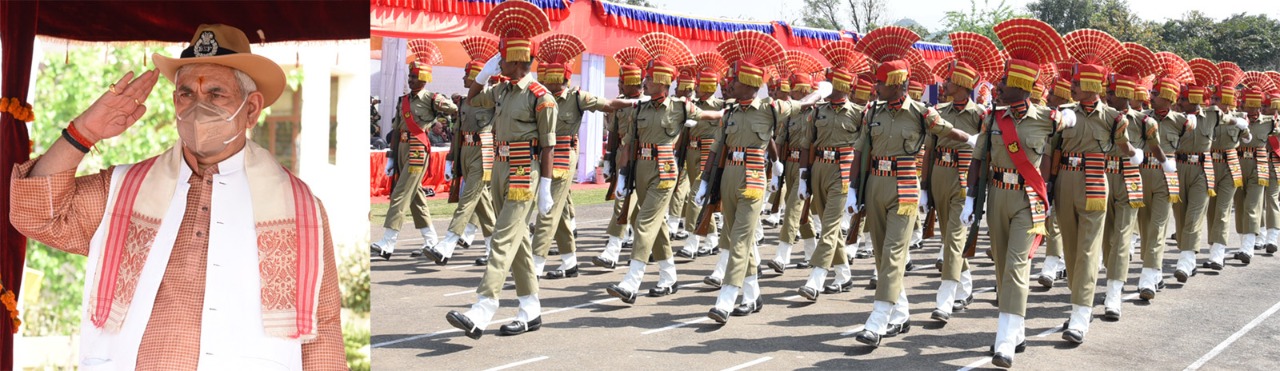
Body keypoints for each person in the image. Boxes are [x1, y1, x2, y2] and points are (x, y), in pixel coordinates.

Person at [10, 24, 344, 369]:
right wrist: (84, 133)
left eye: (216, 95)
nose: (199, 108)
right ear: (174, 101)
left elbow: (324, 330)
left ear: (251, 109)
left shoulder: (300, 209)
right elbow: (35, 214)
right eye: (187, 94)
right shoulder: (125, 189)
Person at [848, 26, 975, 348]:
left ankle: (877, 320)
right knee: (879, 254)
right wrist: (853, 189)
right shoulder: (871, 112)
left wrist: (973, 140)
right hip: (875, 184)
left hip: (904, 187)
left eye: (879, 82)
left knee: (892, 254)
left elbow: (948, 131)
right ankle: (900, 312)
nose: (873, 86)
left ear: (895, 84)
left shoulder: (921, 113)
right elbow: (860, 151)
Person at [445, 0, 558, 339]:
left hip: (526, 170)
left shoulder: (542, 97)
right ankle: (530, 309)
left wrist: (546, 188)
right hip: (501, 167)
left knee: (502, 237)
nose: (500, 62)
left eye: (504, 57)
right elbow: (470, 98)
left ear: (520, 60)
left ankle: (484, 306)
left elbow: (549, 145)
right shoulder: (501, 90)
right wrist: (485, 70)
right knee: (519, 242)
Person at [962, 18, 1065, 367]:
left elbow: (1056, 154)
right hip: (996, 195)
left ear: (1021, 85)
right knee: (1002, 266)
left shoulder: (1049, 119)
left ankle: (1004, 339)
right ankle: (1017, 329)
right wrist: (971, 198)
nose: (999, 87)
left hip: (1027, 200)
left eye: (1005, 82)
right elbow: (978, 160)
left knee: (1018, 266)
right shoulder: (992, 118)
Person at [697, 30, 812, 324]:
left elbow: (807, 102)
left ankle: (725, 299)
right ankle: (751, 296)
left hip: (752, 179)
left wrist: (776, 164)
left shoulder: (770, 108)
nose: (729, 84)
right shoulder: (731, 111)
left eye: (734, 80)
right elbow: (717, 148)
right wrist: (705, 181)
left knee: (739, 239)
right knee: (736, 238)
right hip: (727, 178)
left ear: (748, 83)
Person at [606, 32, 722, 304]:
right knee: (649, 224)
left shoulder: (680, 107)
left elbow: (711, 115)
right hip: (640, 170)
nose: (643, 82)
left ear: (662, 82)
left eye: (648, 78)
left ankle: (631, 281)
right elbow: (630, 145)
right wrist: (623, 177)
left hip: (664, 171)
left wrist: (729, 117)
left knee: (644, 222)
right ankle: (668, 276)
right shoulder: (639, 108)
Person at [1054, 29, 1137, 345]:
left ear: (1089, 85)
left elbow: (1124, 148)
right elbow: (1054, 150)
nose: (1070, 87)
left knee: (1089, 250)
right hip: (1065, 180)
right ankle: (1081, 301)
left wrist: (1137, 153)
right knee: (1072, 250)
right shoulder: (1065, 114)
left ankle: (1079, 315)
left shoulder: (1115, 118)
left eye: (1075, 84)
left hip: (1094, 180)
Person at [528, 34, 632, 279]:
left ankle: (535, 263)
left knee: (547, 210)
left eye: (556, 78)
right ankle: (569, 261)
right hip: (542, 153)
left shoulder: (577, 97)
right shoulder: (537, 96)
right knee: (560, 209)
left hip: (564, 154)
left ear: (565, 77)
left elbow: (608, 104)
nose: (551, 83)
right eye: (547, 78)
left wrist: (638, 103)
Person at [926, 32, 1000, 323]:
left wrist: (979, 189)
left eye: (950, 80)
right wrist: (923, 186)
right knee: (949, 238)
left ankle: (944, 299)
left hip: (963, 179)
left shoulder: (980, 114)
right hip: (939, 176)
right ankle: (965, 287)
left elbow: (985, 152)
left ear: (963, 85)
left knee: (954, 241)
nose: (944, 84)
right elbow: (930, 150)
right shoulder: (939, 111)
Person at [416, 36, 500, 265]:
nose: (463, 77)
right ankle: (494, 248)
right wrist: (452, 160)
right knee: (481, 203)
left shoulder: (493, 98)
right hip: (466, 151)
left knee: (468, 199)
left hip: (484, 153)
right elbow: (458, 133)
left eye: (467, 74)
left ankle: (447, 245)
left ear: (476, 77)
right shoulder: (463, 102)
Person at [792, 40, 865, 301]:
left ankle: (817, 277)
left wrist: (860, 183)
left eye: (834, 83)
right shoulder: (817, 110)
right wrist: (803, 177)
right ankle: (843, 274)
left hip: (843, 171)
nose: (831, 87)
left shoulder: (858, 113)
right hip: (819, 169)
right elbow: (805, 144)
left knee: (830, 226)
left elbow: (863, 149)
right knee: (826, 224)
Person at [371, 39, 456, 259]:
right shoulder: (403, 100)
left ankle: (388, 242)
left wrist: (447, 104)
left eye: (415, 77)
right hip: (401, 148)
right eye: (409, 77)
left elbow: (455, 110)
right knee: (416, 195)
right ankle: (431, 240)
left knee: (400, 193)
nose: (410, 80)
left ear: (425, 79)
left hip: (418, 149)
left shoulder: (430, 99)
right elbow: (397, 128)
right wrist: (391, 157)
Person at [594, 47, 650, 269]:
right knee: (627, 204)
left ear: (635, 83)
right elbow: (613, 133)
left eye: (622, 83)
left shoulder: (647, 103)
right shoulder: (619, 103)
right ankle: (621, 249)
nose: (619, 86)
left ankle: (621, 248)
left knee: (632, 206)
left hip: (642, 159)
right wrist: (608, 160)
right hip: (621, 158)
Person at [674, 52, 727, 261]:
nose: (694, 87)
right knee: (695, 197)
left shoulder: (719, 106)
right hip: (691, 151)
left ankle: (692, 241)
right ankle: (712, 237)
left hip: (708, 153)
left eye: (698, 85)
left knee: (696, 196)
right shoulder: (692, 104)